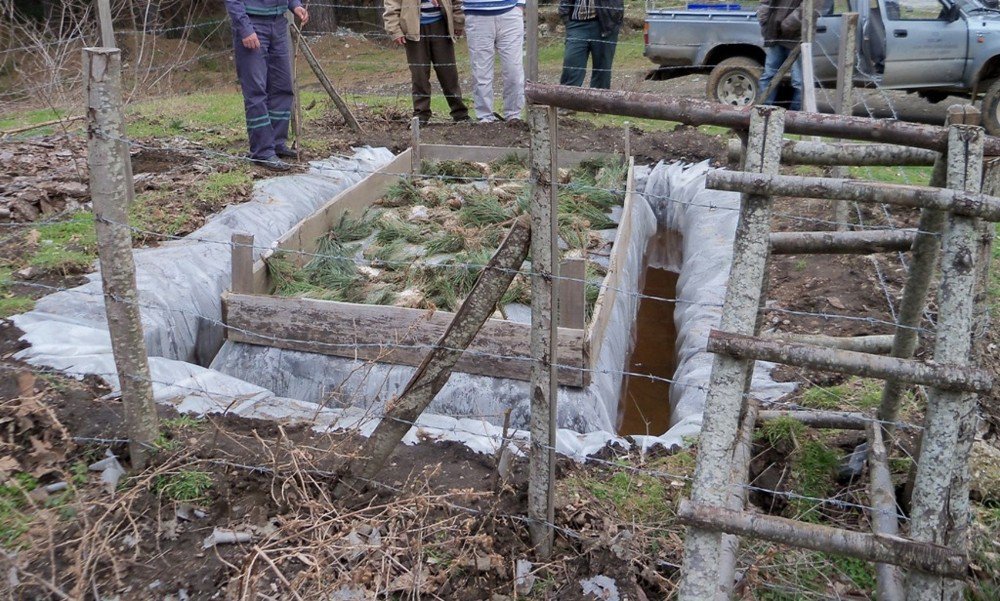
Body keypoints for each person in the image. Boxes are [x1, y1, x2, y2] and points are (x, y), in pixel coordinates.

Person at [224, 0, 308, 171]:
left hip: (278, 23)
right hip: (252, 23)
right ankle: (262, 151)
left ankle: (277, 144)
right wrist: (245, 28)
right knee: (256, 91)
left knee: (283, 87)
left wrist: (295, 5)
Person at [385, 0, 471, 125]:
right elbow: (391, 4)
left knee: (448, 73)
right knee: (419, 75)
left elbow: (457, 2)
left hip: (441, 26)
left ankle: (460, 114)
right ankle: (421, 115)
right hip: (413, 30)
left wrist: (458, 21)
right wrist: (394, 30)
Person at [464, 0, 525, 122]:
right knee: (481, 72)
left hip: (510, 12)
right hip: (477, 14)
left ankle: (513, 115)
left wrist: (520, 5)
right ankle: (485, 117)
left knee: (514, 70)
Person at [558, 0, 624, 89]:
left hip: (606, 23)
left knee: (602, 74)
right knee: (571, 69)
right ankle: (568, 101)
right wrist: (565, 14)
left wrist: (615, 17)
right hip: (576, 23)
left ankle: (599, 102)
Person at [756, 0, 805, 111]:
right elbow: (765, 3)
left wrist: (786, 24)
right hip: (776, 35)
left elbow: (808, 8)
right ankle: (762, 112)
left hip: (798, 38)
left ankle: (795, 119)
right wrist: (765, 21)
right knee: (768, 76)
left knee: (799, 82)